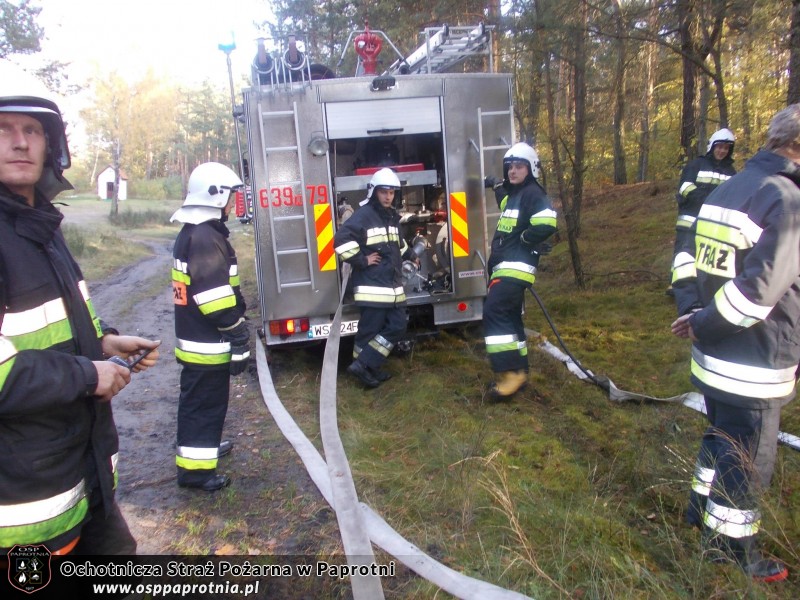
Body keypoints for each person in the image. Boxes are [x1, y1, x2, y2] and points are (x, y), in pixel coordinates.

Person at [0, 68, 160, 555]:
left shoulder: (40, 227)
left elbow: (56, 319)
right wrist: (89, 375)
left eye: (32, 130)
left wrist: (104, 341)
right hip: (26, 510)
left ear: (51, 146)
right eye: (3, 130)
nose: (20, 142)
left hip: (80, 479)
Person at [670, 105, 800, 582]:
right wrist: (702, 323)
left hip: (713, 359)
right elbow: (756, 294)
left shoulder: (728, 188)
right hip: (755, 361)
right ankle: (730, 551)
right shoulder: (785, 200)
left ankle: (699, 510)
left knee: (719, 437)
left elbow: (686, 258)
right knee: (747, 460)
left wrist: (693, 312)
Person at [171, 162, 249, 491]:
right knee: (203, 405)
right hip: (207, 343)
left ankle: (205, 449)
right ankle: (196, 473)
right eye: (230, 197)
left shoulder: (196, 232)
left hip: (197, 339)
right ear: (215, 195)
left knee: (203, 403)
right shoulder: (205, 238)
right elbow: (214, 299)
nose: (232, 204)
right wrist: (238, 332)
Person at [482, 143, 557, 400]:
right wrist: (496, 185)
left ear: (531, 169)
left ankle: (509, 374)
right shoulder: (516, 195)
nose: (513, 171)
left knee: (494, 313)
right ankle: (521, 372)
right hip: (508, 268)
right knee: (512, 318)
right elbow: (506, 203)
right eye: (510, 167)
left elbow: (547, 222)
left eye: (519, 167)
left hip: (514, 268)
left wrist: (526, 238)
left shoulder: (532, 193)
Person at [334, 167, 415, 388]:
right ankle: (366, 371)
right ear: (374, 192)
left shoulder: (391, 217)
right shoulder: (364, 215)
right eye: (383, 192)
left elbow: (398, 244)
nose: (388, 197)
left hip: (392, 287)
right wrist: (362, 260)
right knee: (369, 332)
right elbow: (340, 241)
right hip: (373, 288)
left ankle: (365, 365)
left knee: (398, 326)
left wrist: (411, 255)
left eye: (391, 192)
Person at [669, 128, 736, 296]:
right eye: (719, 147)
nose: (722, 151)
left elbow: (733, 195)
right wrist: (708, 201)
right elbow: (685, 187)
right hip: (690, 218)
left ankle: (701, 284)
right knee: (683, 251)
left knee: (706, 253)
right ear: (712, 146)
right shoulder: (696, 165)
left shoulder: (731, 172)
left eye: (726, 148)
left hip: (713, 222)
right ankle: (675, 284)